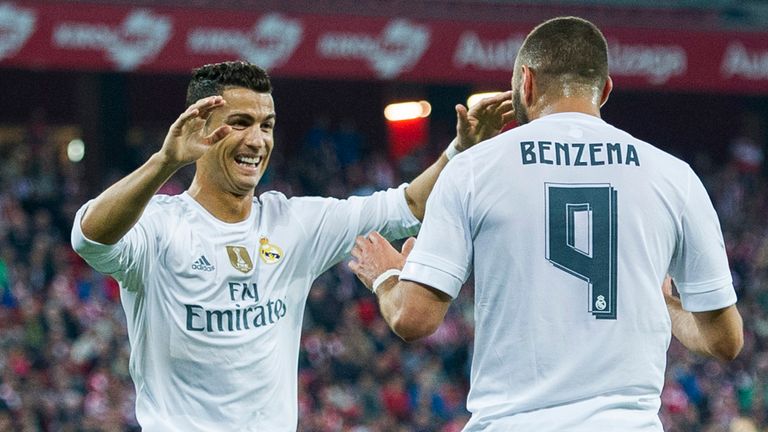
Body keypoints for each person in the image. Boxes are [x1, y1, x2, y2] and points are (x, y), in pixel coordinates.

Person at [348, 16, 744, 431]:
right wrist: (662, 302)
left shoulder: (472, 170)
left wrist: (387, 275)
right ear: (605, 90)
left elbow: (414, 319)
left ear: (527, 81)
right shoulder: (673, 176)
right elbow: (725, 340)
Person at [70, 61, 513, 431]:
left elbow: (408, 204)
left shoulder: (294, 223)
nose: (257, 140)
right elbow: (89, 236)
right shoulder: (159, 227)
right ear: (199, 130)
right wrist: (164, 161)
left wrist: (460, 151)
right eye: (240, 123)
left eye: (267, 125)